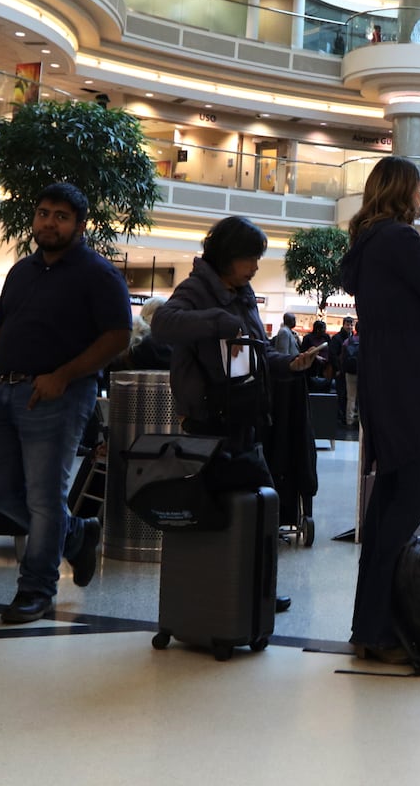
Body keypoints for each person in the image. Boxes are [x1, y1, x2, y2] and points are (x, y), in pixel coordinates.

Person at [0, 183, 130, 624]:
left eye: (61, 216)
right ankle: (76, 535)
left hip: (57, 395)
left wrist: (62, 376)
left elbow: (119, 336)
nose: (49, 222)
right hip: (3, 392)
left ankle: (36, 588)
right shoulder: (22, 270)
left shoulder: (98, 274)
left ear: (80, 225)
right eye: (43, 213)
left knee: (45, 498)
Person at [151, 216, 319, 615]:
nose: (256, 266)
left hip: (245, 419)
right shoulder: (196, 289)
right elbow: (163, 323)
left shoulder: (243, 294)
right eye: (251, 258)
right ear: (228, 256)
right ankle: (230, 587)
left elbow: (256, 352)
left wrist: (290, 365)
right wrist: (216, 322)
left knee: (258, 508)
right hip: (209, 424)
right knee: (231, 509)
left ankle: (255, 587)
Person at [338, 157, 420, 664]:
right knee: (410, 499)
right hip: (408, 382)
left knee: (388, 505)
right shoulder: (401, 240)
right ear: (402, 192)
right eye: (419, 191)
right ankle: (375, 627)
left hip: (381, 383)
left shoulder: (365, 246)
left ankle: (371, 626)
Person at [329, 316, 355, 422]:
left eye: (351, 325)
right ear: (343, 325)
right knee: (342, 394)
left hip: (349, 370)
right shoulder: (337, 338)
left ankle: (345, 416)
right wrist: (338, 369)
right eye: (348, 324)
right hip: (341, 371)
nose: (349, 327)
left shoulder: (353, 338)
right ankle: (341, 416)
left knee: (348, 395)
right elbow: (333, 355)